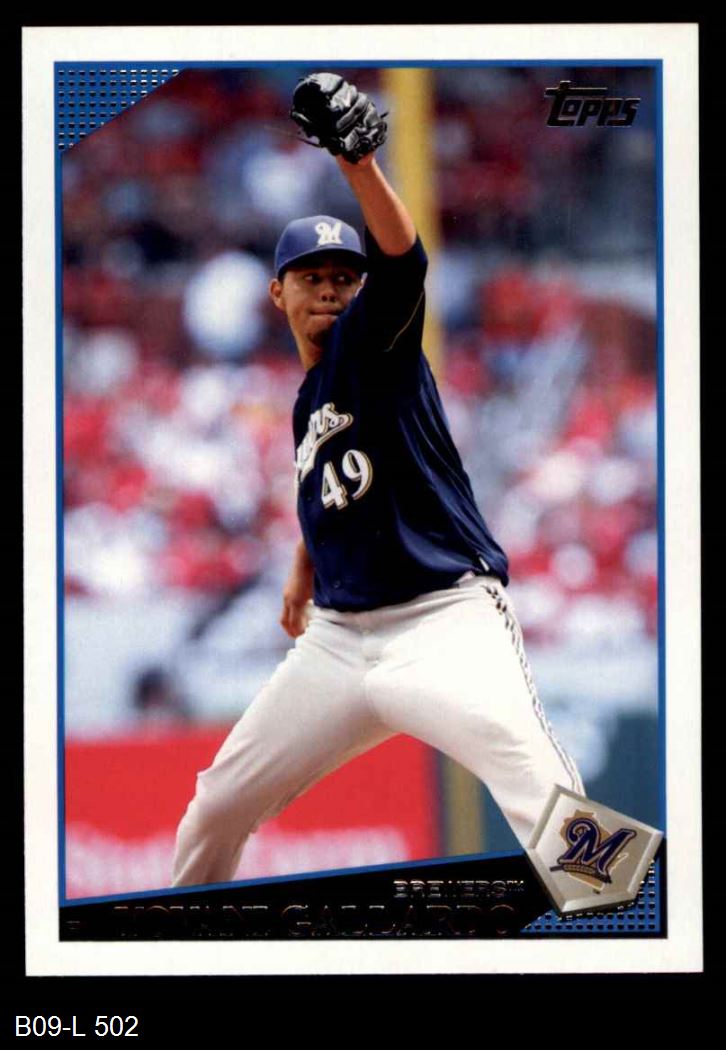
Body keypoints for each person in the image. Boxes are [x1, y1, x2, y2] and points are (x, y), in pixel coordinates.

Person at [171, 143, 583, 888]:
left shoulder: (375, 342)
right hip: (338, 642)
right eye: (312, 278)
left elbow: (404, 263)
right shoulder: (307, 401)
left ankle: (620, 918)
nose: (330, 291)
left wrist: (359, 167)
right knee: (216, 808)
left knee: (542, 792)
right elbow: (333, 490)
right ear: (277, 293)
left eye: (344, 278)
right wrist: (301, 572)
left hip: (441, 621)